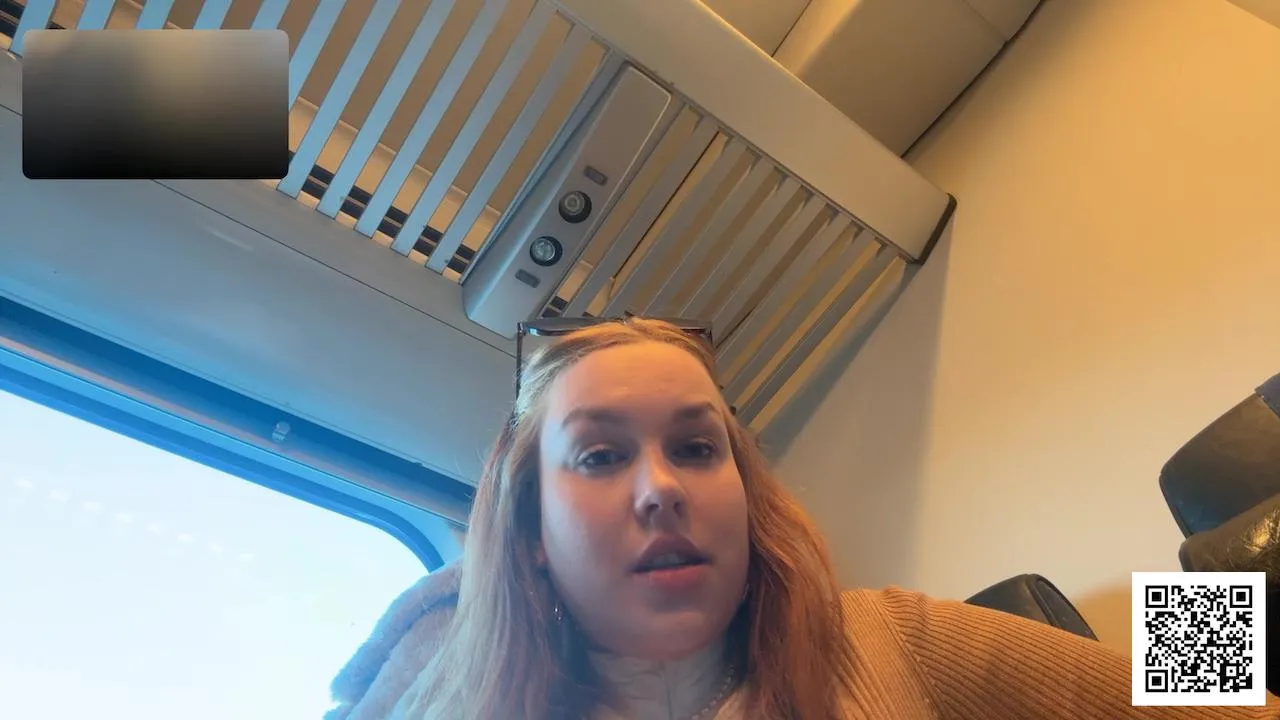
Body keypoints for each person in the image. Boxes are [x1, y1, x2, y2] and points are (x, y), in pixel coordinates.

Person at [325, 318, 1280, 719]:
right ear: (531, 537)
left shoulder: (886, 634)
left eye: (697, 447)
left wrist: (1234, 603)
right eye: (602, 456)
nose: (661, 488)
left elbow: (1199, 690)